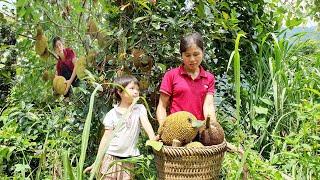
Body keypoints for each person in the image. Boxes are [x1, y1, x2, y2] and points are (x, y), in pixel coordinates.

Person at [85, 75, 158, 179]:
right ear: (120, 91)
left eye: (137, 89)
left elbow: (146, 123)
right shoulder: (112, 114)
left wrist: (152, 138)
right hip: (110, 157)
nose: (136, 92)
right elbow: (106, 138)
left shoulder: (139, 109)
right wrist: (97, 161)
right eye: (132, 88)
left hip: (128, 160)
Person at [156, 32, 218, 126]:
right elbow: (162, 106)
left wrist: (212, 126)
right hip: (175, 128)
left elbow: (208, 106)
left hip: (199, 129)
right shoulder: (171, 75)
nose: (192, 59)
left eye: (196, 54)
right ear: (181, 55)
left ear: (203, 52)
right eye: (188, 55)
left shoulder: (209, 78)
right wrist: (163, 128)